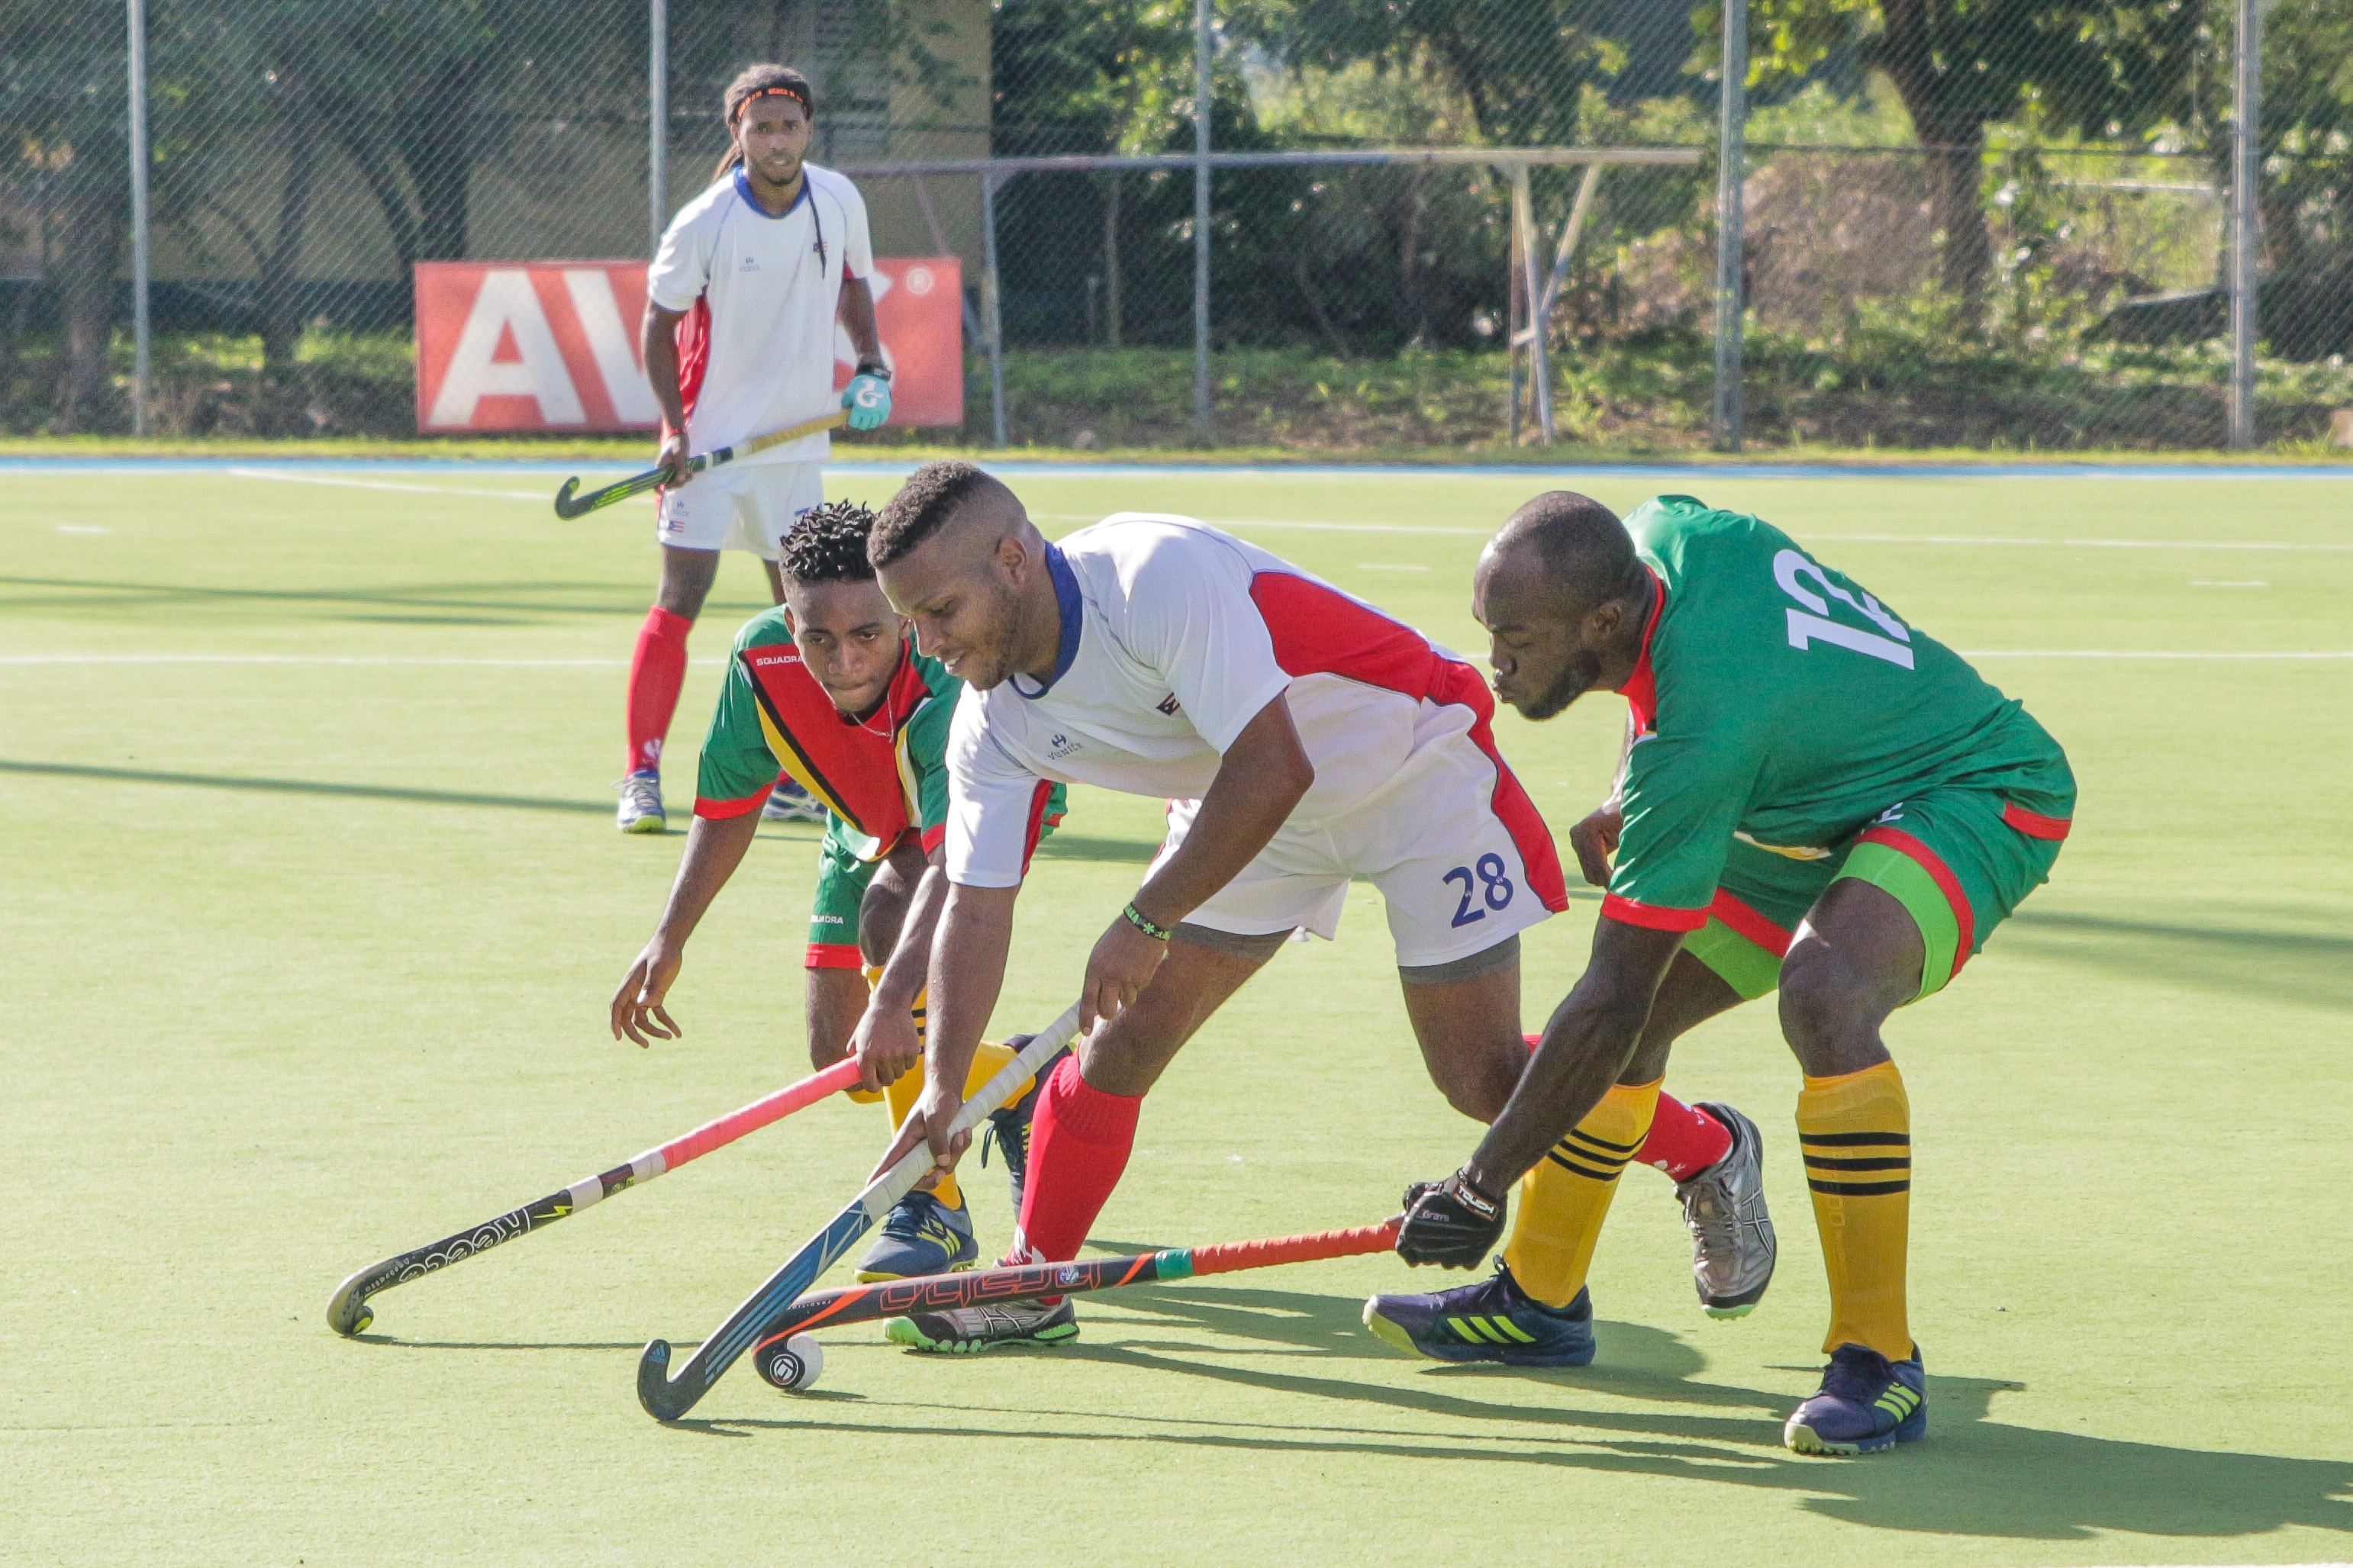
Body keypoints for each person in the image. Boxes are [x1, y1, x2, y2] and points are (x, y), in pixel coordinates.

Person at [856, 460, 1773, 1355]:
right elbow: (975, 907)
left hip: (1409, 767)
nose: (928, 643)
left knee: (1485, 1082)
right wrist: (945, 1087)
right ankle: (1034, 1282)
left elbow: (1276, 764)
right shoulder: (990, 722)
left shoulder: (1148, 576)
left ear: (1012, 562)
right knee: (1119, 1047)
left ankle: (1706, 1148)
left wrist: (1144, 920)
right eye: (912, 622)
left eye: (940, 612)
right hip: (1251, 811)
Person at [1376, 491, 2074, 1456]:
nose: (1497, 664)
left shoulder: (1698, 742)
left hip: (1969, 787)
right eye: (1490, 633)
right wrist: (1630, 788)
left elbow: (1603, 1001)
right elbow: (1696, 652)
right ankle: (1537, 1300)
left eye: (1517, 639)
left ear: (1605, 622)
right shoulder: (1666, 531)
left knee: (1822, 998)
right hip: (1793, 797)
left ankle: (1878, 1358)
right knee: (1650, 1015)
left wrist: (1480, 1183)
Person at [610, 500, 1068, 1280]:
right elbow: (726, 808)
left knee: (889, 923)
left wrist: (894, 999)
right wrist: (669, 936)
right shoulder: (759, 661)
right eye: (817, 637)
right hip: (861, 822)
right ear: (787, 621)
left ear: (900, 615)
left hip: (979, 809)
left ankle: (934, 1204)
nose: (844, 661)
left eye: (866, 635)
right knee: (841, 1057)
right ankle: (1018, 1087)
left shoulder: (943, 682)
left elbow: (950, 862)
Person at [616, 63, 896, 834]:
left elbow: (852, 284)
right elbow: (656, 328)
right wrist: (674, 428)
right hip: (708, 446)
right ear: (737, 134)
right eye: (761, 126)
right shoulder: (703, 222)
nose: (776, 139)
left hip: (795, 449)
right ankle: (640, 774)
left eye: (789, 125)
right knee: (680, 602)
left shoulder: (838, 200)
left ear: (807, 129)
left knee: (802, 611)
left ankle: (796, 777)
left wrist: (870, 363)